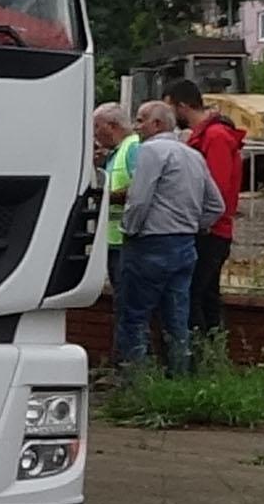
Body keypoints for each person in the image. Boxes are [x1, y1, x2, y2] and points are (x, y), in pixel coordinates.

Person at [111, 100, 222, 377]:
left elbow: (139, 199)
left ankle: (136, 382)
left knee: (134, 316)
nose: (136, 127)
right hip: (184, 245)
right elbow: (216, 205)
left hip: (150, 243)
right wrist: (195, 225)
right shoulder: (192, 155)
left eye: (140, 120)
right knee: (176, 319)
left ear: (157, 124)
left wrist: (130, 229)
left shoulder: (151, 151)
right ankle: (179, 379)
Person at [167, 79, 245, 335]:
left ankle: (198, 354)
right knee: (207, 294)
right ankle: (211, 352)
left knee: (193, 294)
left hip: (210, 231)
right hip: (208, 229)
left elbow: (216, 189)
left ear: (182, 106)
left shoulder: (215, 137)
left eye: (169, 108)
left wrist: (201, 222)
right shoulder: (206, 136)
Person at [92, 100, 136, 275]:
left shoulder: (133, 147)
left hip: (124, 240)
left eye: (97, 127)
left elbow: (141, 190)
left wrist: (103, 197)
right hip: (114, 239)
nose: (94, 133)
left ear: (111, 126)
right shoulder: (116, 152)